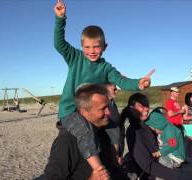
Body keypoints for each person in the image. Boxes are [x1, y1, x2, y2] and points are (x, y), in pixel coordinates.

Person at [53, 0, 153, 174]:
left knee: (114, 127)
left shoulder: (106, 67)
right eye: (87, 47)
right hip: (71, 110)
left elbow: (121, 80)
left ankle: (114, 158)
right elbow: (59, 44)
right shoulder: (75, 58)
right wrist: (60, 18)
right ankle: (98, 169)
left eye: (96, 47)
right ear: (82, 47)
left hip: (92, 110)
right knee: (85, 133)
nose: (92, 51)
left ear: (104, 47)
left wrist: (138, 83)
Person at [37, 84, 116, 180]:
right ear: (83, 112)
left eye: (108, 106)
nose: (109, 112)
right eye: (103, 108)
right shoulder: (67, 141)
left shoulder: (104, 132)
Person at [120, 93, 176, 180]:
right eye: (141, 106)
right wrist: (171, 175)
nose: (147, 108)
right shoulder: (134, 131)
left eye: (147, 105)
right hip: (145, 173)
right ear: (131, 108)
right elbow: (145, 163)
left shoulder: (143, 126)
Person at [104, 83, 122, 165]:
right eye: (114, 89)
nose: (116, 91)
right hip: (111, 143)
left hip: (116, 140)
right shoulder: (103, 104)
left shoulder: (112, 102)